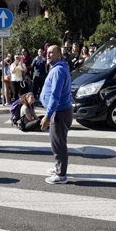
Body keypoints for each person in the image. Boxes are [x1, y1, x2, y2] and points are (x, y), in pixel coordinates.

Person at [41, 45, 72, 184]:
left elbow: (55, 95)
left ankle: (61, 175)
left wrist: (48, 116)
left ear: (59, 55)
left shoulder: (58, 70)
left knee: (58, 144)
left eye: (51, 53)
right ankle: (58, 167)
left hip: (59, 112)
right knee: (57, 142)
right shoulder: (58, 68)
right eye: (47, 53)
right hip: (60, 111)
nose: (48, 55)